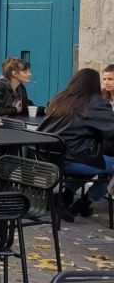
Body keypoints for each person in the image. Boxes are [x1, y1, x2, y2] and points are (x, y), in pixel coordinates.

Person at [40, 67, 114, 219]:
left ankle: (65, 197)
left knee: (97, 159)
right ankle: (86, 201)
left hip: (49, 158)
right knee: (105, 163)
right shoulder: (93, 103)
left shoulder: (59, 99)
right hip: (73, 159)